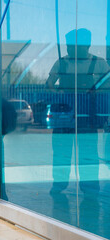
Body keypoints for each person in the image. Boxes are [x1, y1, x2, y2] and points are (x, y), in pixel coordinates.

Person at [45, 28, 109, 204]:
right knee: (60, 153)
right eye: (67, 45)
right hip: (64, 117)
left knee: (88, 154)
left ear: (86, 45)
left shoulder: (100, 63)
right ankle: (59, 185)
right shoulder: (61, 63)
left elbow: (108, 85)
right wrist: (58, 95)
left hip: (88, 117)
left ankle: (90, 188)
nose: (68, 48)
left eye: (71, 45)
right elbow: (49, 83)